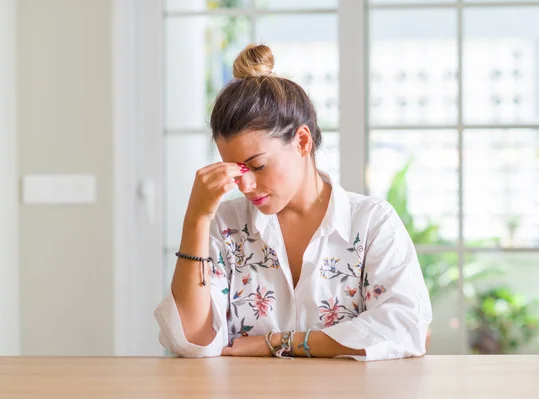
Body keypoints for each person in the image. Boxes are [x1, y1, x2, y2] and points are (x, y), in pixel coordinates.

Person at [154, 44, 432, 361]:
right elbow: (191, 341)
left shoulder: (371, 223)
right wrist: (196, 220)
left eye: (257, 166)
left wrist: (277, 342)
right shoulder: (225, 226)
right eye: (237, 171)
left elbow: (407, 328)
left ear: (302, 141)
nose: (245, 185)